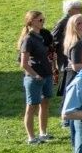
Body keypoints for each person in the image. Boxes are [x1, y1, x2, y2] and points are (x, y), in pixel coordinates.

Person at [18, 9, 55, 144]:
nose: (43, 22)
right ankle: (31, 137)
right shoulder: (28, 39)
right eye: (40, 20)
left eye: (43, 19)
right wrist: (35, 75)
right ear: (31, 22)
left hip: (47, 74)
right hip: (34, 78)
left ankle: (43, 133)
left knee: (45, 104)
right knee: (31, 106)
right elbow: (24, 63)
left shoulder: (42, 36)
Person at [51, 0, 82, 95]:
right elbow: (52, 38)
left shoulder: (78, 20)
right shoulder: (63, 22)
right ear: (70, 10)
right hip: (66, 55)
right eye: (79, 9)